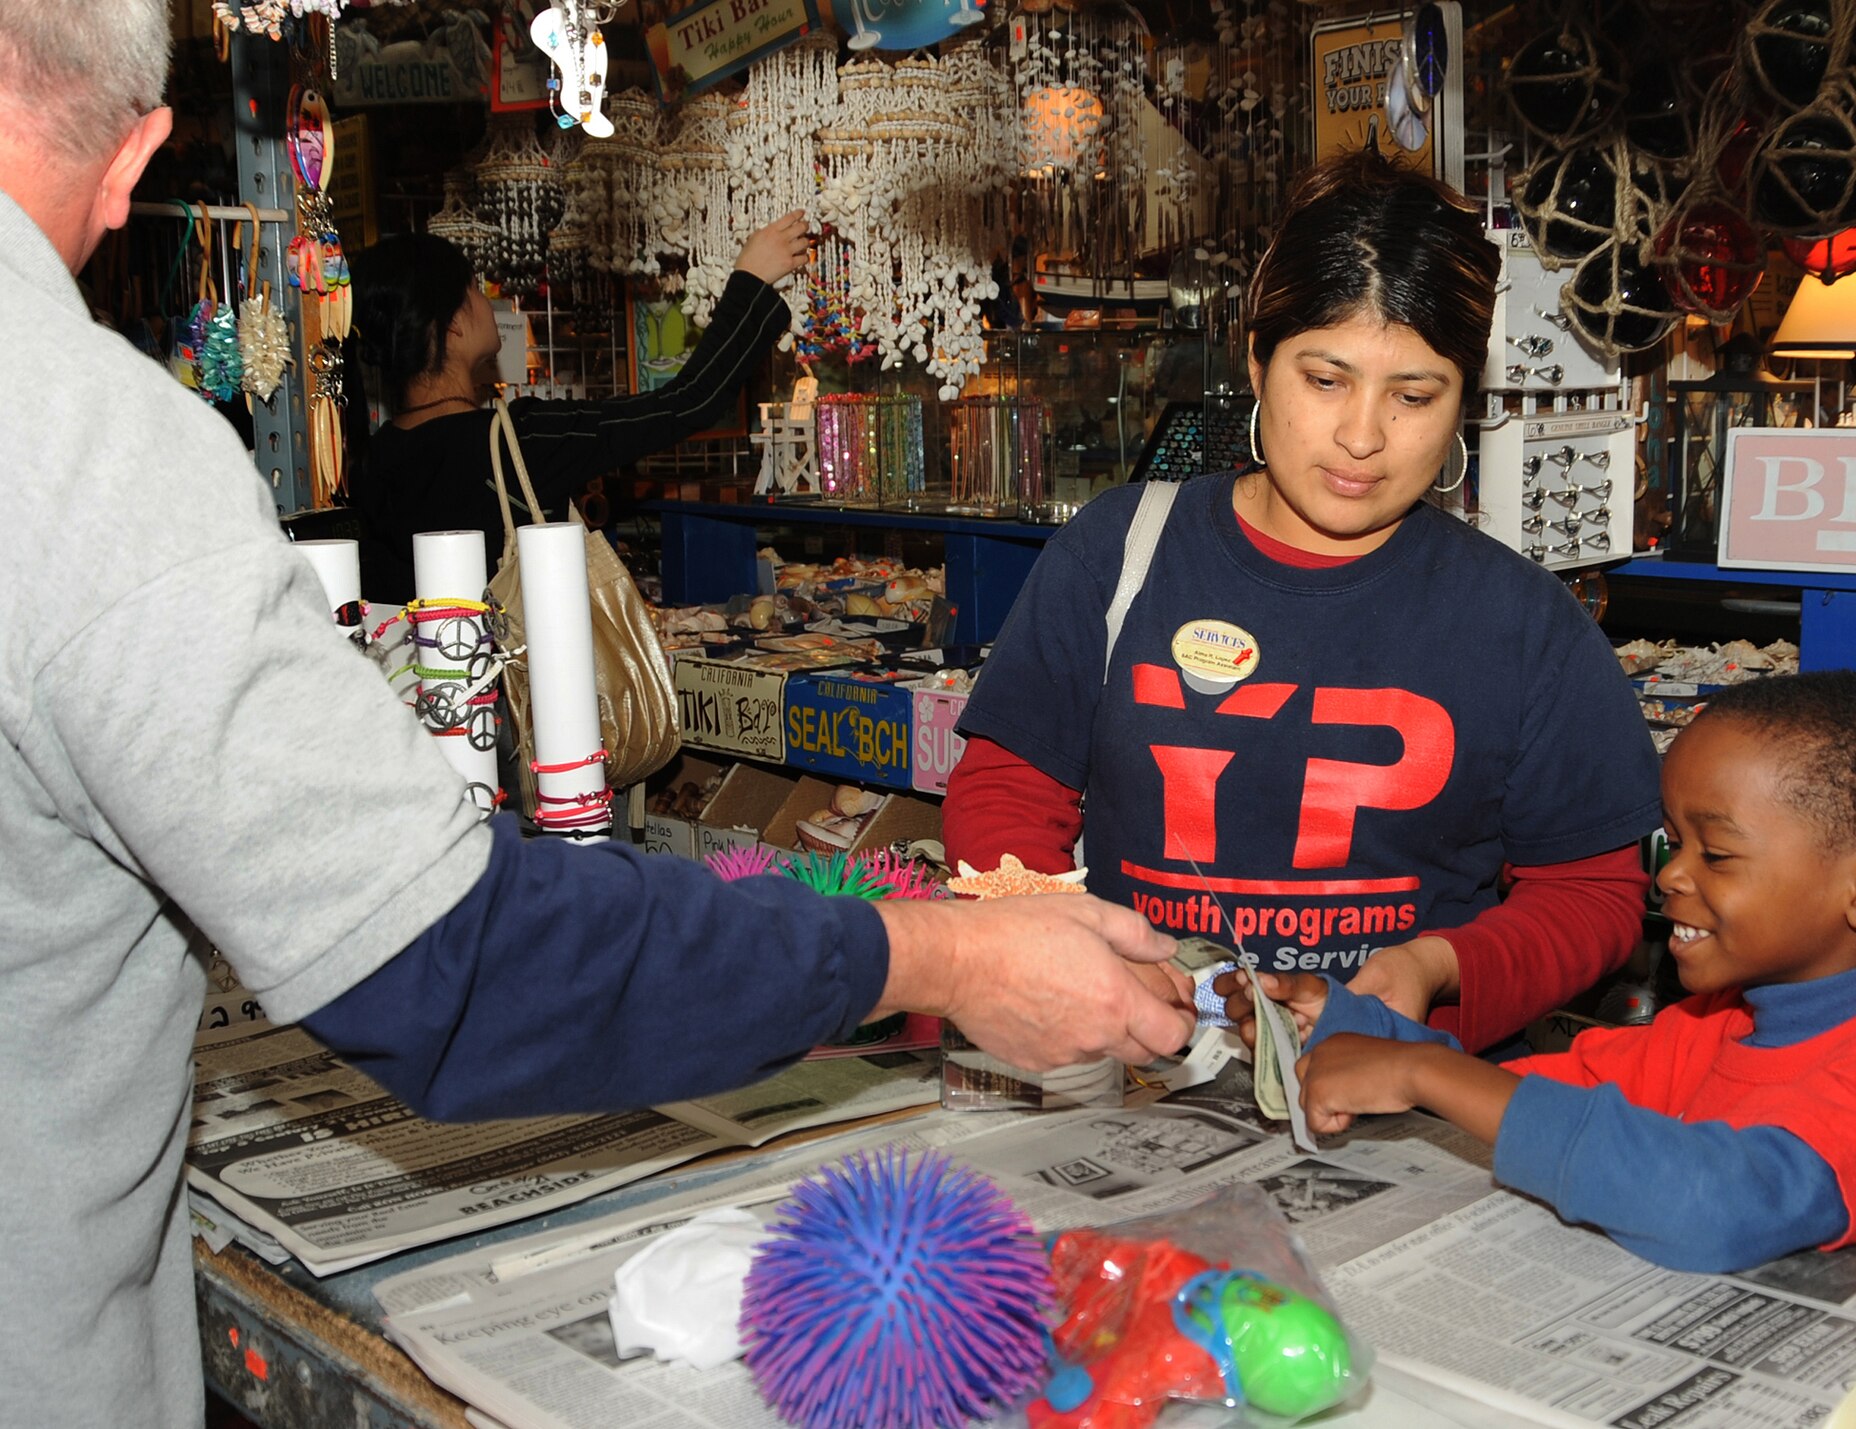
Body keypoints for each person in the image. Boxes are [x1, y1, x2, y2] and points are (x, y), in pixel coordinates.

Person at [0, 8, 1193, 1426]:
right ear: (135, 161)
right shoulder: (82, 444)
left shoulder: (358, 476)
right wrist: (940, 948)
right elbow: (451, 965)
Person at [944, 149, 1660, 1054]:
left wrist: (1441, 967)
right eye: (1325, 380)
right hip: (1133, 1063)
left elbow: (1594, 894)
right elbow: (1006, 794)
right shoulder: (1118, 551)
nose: (1363, 436)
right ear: (1256, 362)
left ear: (1462, 402)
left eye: (1414, 395)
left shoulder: (1523, 622)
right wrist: (1057, 945)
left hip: (1398, 1093)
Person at [1230, 672, 1856, 1271]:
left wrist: (1424, 1071)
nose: (1670, 877)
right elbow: (1543, 1104)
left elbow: (1711, 1204)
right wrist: (1348, 1027)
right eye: (1673, 841)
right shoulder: (1714, 1022)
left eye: (1714, 853)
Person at [345, 214, 808, 603]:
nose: (486, 303)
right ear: (452, 326)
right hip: (521, 696)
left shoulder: (371, 460)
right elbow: (686, 403)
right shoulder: (517, 440)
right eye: (475, 291)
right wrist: (751, 279)